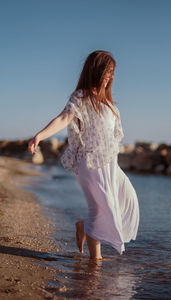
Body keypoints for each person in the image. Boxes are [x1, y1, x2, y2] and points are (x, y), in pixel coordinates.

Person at [28, 50, 140, 260]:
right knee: (100, 209)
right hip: (88, 163)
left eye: (112, 72)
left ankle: (84, 226)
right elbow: (63, 119)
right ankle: (95, 261)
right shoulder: (81, 97)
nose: (110, 76)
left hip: (109, 165)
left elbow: (112, 140)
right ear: (95, 71)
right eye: (106, 71)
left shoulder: (110, 105)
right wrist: (40, 136)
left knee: (128, 199)